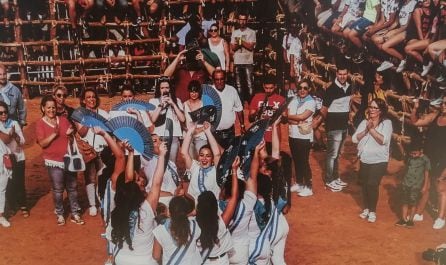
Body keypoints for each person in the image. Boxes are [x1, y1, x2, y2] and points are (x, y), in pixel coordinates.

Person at [105, 127, 167, 265]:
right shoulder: (146, 210)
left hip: (122, 260)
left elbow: (128, 184)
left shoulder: (116, 213)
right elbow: (156, 183)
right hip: (145, 261)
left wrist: (131, 153)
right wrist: (162, 156)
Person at [36, 96, 84, 226]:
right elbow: (42, 143)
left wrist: (71, 133)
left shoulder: (63, 120)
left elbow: (72, 137)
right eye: (48, 107)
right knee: (58, 190)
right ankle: (60, 213)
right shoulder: (40, 123)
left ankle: (75, 213)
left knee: (72, 188)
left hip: (68, 159)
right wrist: (54, 134)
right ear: (43, 108)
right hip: (53, 161)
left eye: (53, 107)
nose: (51, 110)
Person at [352, 98, 393, 223]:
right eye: (371, 107)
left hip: (379, 160)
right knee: (364, 184)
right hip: (365, 159)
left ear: (380, 111)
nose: (372, 110)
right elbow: (354, 139)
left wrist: (371, 129)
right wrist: (365, 129)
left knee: (372, 184)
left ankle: (373, 211)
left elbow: (383, 140)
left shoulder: (387, 123)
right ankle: (366, 209)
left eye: (375, 108)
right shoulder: (364, 122)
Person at [411, 94, 446, 229]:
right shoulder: (435, 116)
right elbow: (416, 122)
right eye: (442, 103)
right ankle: (419, 212)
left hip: (443, 160)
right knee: (425, 185)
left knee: (441, 189)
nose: (443, 105)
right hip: (430, 157)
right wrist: (415, 109)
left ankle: (441, 217)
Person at [196, 158, 238, 264]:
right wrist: (234, 171)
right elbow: (234, 197)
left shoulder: (194, 225)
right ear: (215, 206)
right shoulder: (222, 222)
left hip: (204, 261)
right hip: (221, 261)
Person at [75, 88, 110, 217]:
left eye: (93, 97)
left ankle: (101, 201)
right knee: (89, 178)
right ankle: (92, 205)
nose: (91, 99)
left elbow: (109, 130)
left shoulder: (104, 113)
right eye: (88, 97)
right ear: (83, 100)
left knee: (102, 177)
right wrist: (88, 119)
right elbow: (82, 132)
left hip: (103, 150)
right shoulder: (79, 115)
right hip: (88, 150)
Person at [321, 64, 352, 192]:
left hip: (344, 127)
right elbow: (324, 110)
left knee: (338, 155)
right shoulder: (331, 89)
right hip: (334, 128)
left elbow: (348, 104)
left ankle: (335, 177)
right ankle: (329, 180)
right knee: (332, 155)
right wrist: (328, 124)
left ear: (347, 74)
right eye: (340, 74)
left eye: (345, 74)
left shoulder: (349, 87)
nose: (342, 76)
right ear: (336, 74)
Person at [152, 195, 202, 264]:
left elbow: (156, 256)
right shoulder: (194, 225)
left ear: (169, 211)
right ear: (187, 211)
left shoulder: (159, 230)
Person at [287, 79, 316, 197]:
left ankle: (308, 186)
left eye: (305, 88)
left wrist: (293, 118)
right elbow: (292, 118)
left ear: (309, 89)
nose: (302, 90)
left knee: (304, 161)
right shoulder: (294, 99)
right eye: (300, 88)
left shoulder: (311, 102)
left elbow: (303, 116)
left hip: (304, 136)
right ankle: (299, 183)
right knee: (296, 159)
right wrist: (297, 120)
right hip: (292, 134)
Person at [395, 138, 430, 228]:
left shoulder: (425, 160)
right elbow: (404, 154)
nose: (413, 155)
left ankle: (410, 220)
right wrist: (399, 145)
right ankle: (403, 219)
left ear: (420, 151)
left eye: (415, 153)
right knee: (404, 201)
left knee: (413, 202)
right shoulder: (409, 157)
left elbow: (426, 172)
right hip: (406, 183)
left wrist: (425, 185)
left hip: (416, 185)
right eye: (412, 153)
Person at [182, 121, 221, 201]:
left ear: (212, 159)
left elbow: (217, 154)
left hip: (212, 208)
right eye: (202, 155)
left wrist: (207, 132)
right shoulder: (194, 166)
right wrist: (191, 131)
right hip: (194, 208)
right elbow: (184, 153)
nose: (204, 158)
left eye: (208, 156)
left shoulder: (216, 170)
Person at [0, 101, 27, 219]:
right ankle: (11, 206)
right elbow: (5, 140)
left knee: (19, 182)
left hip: (18, 157)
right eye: (0, 113)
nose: (3, 115)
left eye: (5, 112)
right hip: (4, 159)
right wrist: (9, 135)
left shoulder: (14, 123)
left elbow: (22, 142)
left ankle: (23, 205)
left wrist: (15, 135)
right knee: (9, 184)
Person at [148, 77, 185, 162]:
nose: (165, 90)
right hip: (159, 136)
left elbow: (182, 119)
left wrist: (173, 103)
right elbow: (153, 120)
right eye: (162, 88)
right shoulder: (153, 101)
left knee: (172, 162)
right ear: (159, 89)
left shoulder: (177, 101)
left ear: (170, 89)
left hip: (174, 136)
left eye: (167, 87)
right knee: (159, 163)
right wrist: (161, 105)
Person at [375, 0, 418, 71]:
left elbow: (407, 25)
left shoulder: (413, 3)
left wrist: (395, 32)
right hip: (400, 29)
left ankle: (403, 60)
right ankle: (391, 60)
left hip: (407, 31)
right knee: (382, 38)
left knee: (385, 46)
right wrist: (388, 30)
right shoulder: (401, 4)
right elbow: (396, 22)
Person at [249, 75, 285, 153]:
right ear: (263, 86)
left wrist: (279, 113)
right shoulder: (257, 98)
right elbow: (250, 118)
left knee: (273, 161)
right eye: (266, 88)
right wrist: (257, 112)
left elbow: (285, 121)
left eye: (271, 88)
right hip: (259, 136)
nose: (268, 90)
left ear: (275, 86)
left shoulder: (281, 99)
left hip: (274, 136)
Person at [211, 69, 245, 149]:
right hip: (214, 133)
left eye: (221, 79)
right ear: (213, 80)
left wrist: (242, 125)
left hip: (230, 132)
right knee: (216, 157)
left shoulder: (232, 90)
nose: (219, 82)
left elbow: (239, 108)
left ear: (225, 79)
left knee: (230, 155)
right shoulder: (209, 92)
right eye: (217, 79)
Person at [230, 13, 256, 102]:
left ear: (246, 20)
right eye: (241, 19)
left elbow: (251, 47)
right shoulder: (235, 32)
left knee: (249, 84)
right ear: (238, 20)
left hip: (248, 61)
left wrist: (240, 41)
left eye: (244, 19)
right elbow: (233, 47)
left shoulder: (252, 32)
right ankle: (240, 103)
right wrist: (244, 43)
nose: (242, 22)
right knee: (238, 84)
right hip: (237, 61)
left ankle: (251, 102)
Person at [183, 80, 208, 158]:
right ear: (189, 91)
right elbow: (182, 122)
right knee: (190, 160)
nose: (194, 94)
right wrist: (187, 130)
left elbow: (207, 122)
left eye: (196, 92)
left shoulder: (203, 104)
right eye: (192, 92)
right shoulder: (184, 104)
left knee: (202, 158)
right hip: (188, 136)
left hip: (201, 135)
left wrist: (198, 130)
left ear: (199, 92)